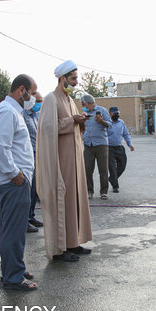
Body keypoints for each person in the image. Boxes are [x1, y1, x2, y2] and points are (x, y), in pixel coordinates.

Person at [36, 60, 93, 262]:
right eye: (73, 78)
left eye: (76, 78)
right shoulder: (51, 99)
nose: (76, 82)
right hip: (61, 163)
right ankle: (61, 248)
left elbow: (70, 125)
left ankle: (73, 242)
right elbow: (48, 128)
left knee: (75, 201)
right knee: (64, 203)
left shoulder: (69, 100)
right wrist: (72, 121)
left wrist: (80, 121)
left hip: (75, 162)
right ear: (62, 79)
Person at [0, 74, 38, 291]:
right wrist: (14, 173)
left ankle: (14, 268)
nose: (34, 98)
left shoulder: (13, 112)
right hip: (13, 182)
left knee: (13, 229)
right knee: (13, 231)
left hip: (16, 180)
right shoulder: (8, 112)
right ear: (21, 91)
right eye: (33, 93)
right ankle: (13, 277)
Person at [80, 93, 112, 200]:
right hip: (88, 144)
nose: (82, 106)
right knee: (88, 169)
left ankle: (104, 191)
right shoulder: (85, 113)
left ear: (89, 103)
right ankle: (89, 190)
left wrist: (101, 121)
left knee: (103, 169)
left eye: (83, 104)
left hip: (101, 144)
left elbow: (110, 124)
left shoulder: (102, 111)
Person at [22, 90, 43, 233]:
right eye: (38, 101)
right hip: (28, 155)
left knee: (35, 189)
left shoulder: (35, 116)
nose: (40, 104)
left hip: (37, 154)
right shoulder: (23, 115)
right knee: (28, 189)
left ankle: (31, 215)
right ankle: (25, 220)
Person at [107, 106, 134, 193]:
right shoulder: (106, 123)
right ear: (110, 114)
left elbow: (125, 134)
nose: (116, 115)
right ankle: (115, 186)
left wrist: (130, 144)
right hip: (109, 148)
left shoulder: (121, 122)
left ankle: (111, 179)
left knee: (122, 166)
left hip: (119, 147)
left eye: (117, 113)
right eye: (114, 113)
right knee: (112, 168)